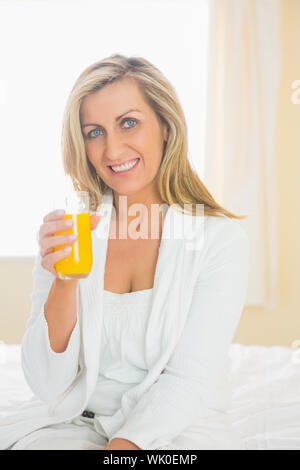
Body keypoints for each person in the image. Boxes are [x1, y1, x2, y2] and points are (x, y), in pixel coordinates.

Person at [1, 54, 249, 450]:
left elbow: (189, 378)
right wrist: (63, 284)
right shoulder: (71, 233)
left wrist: (121, 451)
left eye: (128, 123)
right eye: (94, 132)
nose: (112, 149)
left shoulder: (218, 239)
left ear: (165, 128)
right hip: (73, 423)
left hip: (176, 428)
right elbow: (48, 384)